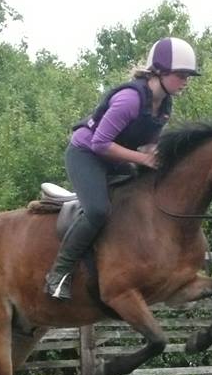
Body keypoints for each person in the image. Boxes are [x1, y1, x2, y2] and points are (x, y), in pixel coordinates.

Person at [44, 36, 200, 300]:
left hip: (115, 158)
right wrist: (142, 159)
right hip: (86, 154)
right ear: (160, 72)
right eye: (181, 75)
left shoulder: (164, 105)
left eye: (188, 76)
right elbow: (100, 143)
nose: (186, 81)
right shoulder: (129, 99)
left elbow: (149, 145)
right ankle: (58, 275)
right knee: (98, 211)